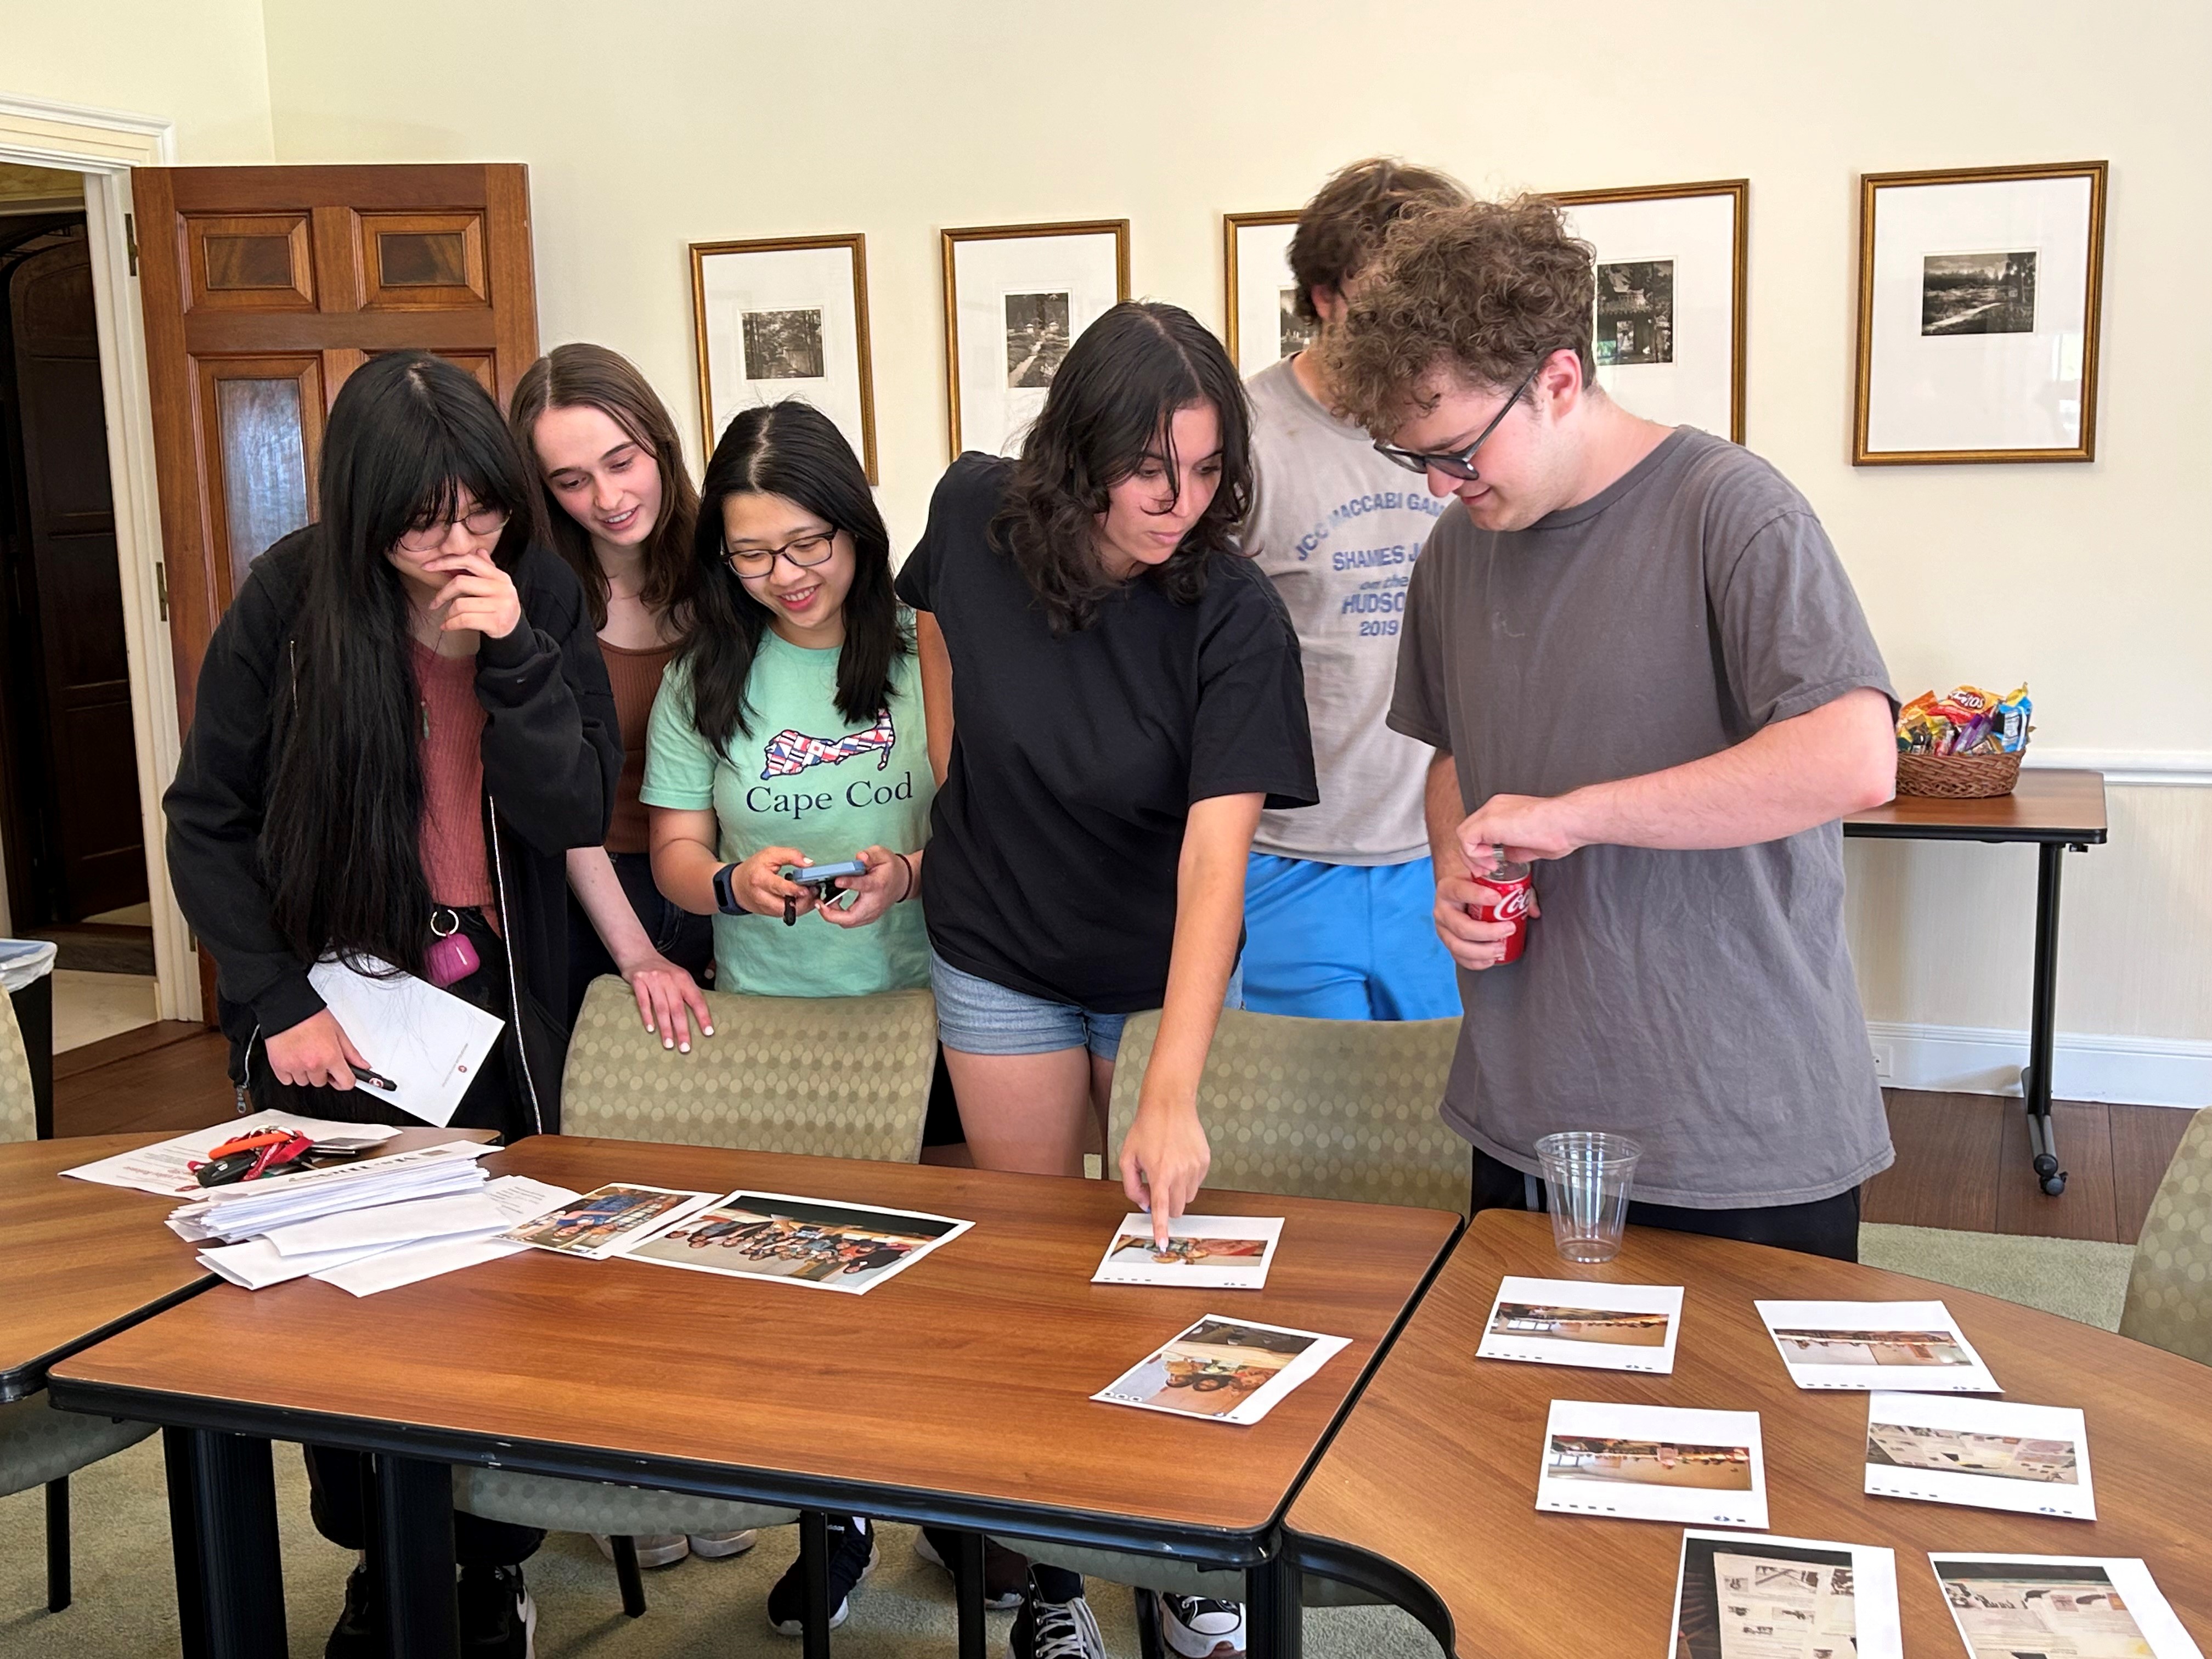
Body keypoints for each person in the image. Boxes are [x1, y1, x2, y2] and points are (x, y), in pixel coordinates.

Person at [1322, 196, 1898, 1262]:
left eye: (1457, 450)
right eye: (1418, 462)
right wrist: (1455, 858)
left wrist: (1580, 816)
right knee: (1505, 1423)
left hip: (1735, 1128)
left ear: (1557, 379)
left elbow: (1855, 756)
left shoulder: (1735, 512)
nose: (1444, 486)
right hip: (1526, 1113)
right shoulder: (1458, 547)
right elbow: (1454, 751)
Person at [163, 349, 622, 1658]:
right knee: (343, 1316)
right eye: (426, 522)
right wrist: (270, 1002)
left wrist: (517, 654)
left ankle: (490, 1568)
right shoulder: (288, 602)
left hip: (501, 1008)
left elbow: (570, 807)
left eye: (481, 511)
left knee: (502, 1304)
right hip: (340, 1017)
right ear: (365, 512)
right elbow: (208, 820)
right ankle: (380, 1562)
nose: (457, 543)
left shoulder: (533, 590)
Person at [897, 301, 1315, 1659]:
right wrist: (962, 783)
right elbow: (936, 635)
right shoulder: (973, 512)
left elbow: (1217, 865)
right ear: (1078, 454)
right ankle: (1047, 1574)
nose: (1181, 505)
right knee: (1029, 1271)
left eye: (1207, 474)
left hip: (1158, 967)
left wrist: (1174, 1087)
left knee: (1165, 1270)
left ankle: (1182, 1555)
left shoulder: (1231, 612)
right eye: (1153, 473)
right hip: (1000, 940)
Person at [640, 398, 931, 1635]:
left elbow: (982, 815)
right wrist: (726, 884)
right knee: (807, 1304)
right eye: (752, 555)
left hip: (930, 1012)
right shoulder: (704, 671)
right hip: (775, 1028)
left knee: (945, 1297)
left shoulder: (929, 647)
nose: (787, 578)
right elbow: (673, 845)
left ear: (857, 527)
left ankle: (975, 1520)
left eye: (809, 544)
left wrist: (904, 873)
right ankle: (842, 1517)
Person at [1239, 157, 1469, 1022]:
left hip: (1441, 853)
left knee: (1444, 1149)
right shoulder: (1244, 435)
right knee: (1302, 1151)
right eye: (1386, 306)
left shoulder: (1467, 422)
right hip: (1287, 858)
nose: (1412, 335)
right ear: (1324, 296)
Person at [511, 342, 716, 1047]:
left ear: (660, 444)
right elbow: (552, 794)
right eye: (570, 481)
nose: (607, 499)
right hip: (592, 900)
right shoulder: (534, 601)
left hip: (726, 883)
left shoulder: (731, 565)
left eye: (621, 463)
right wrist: (636, 953)